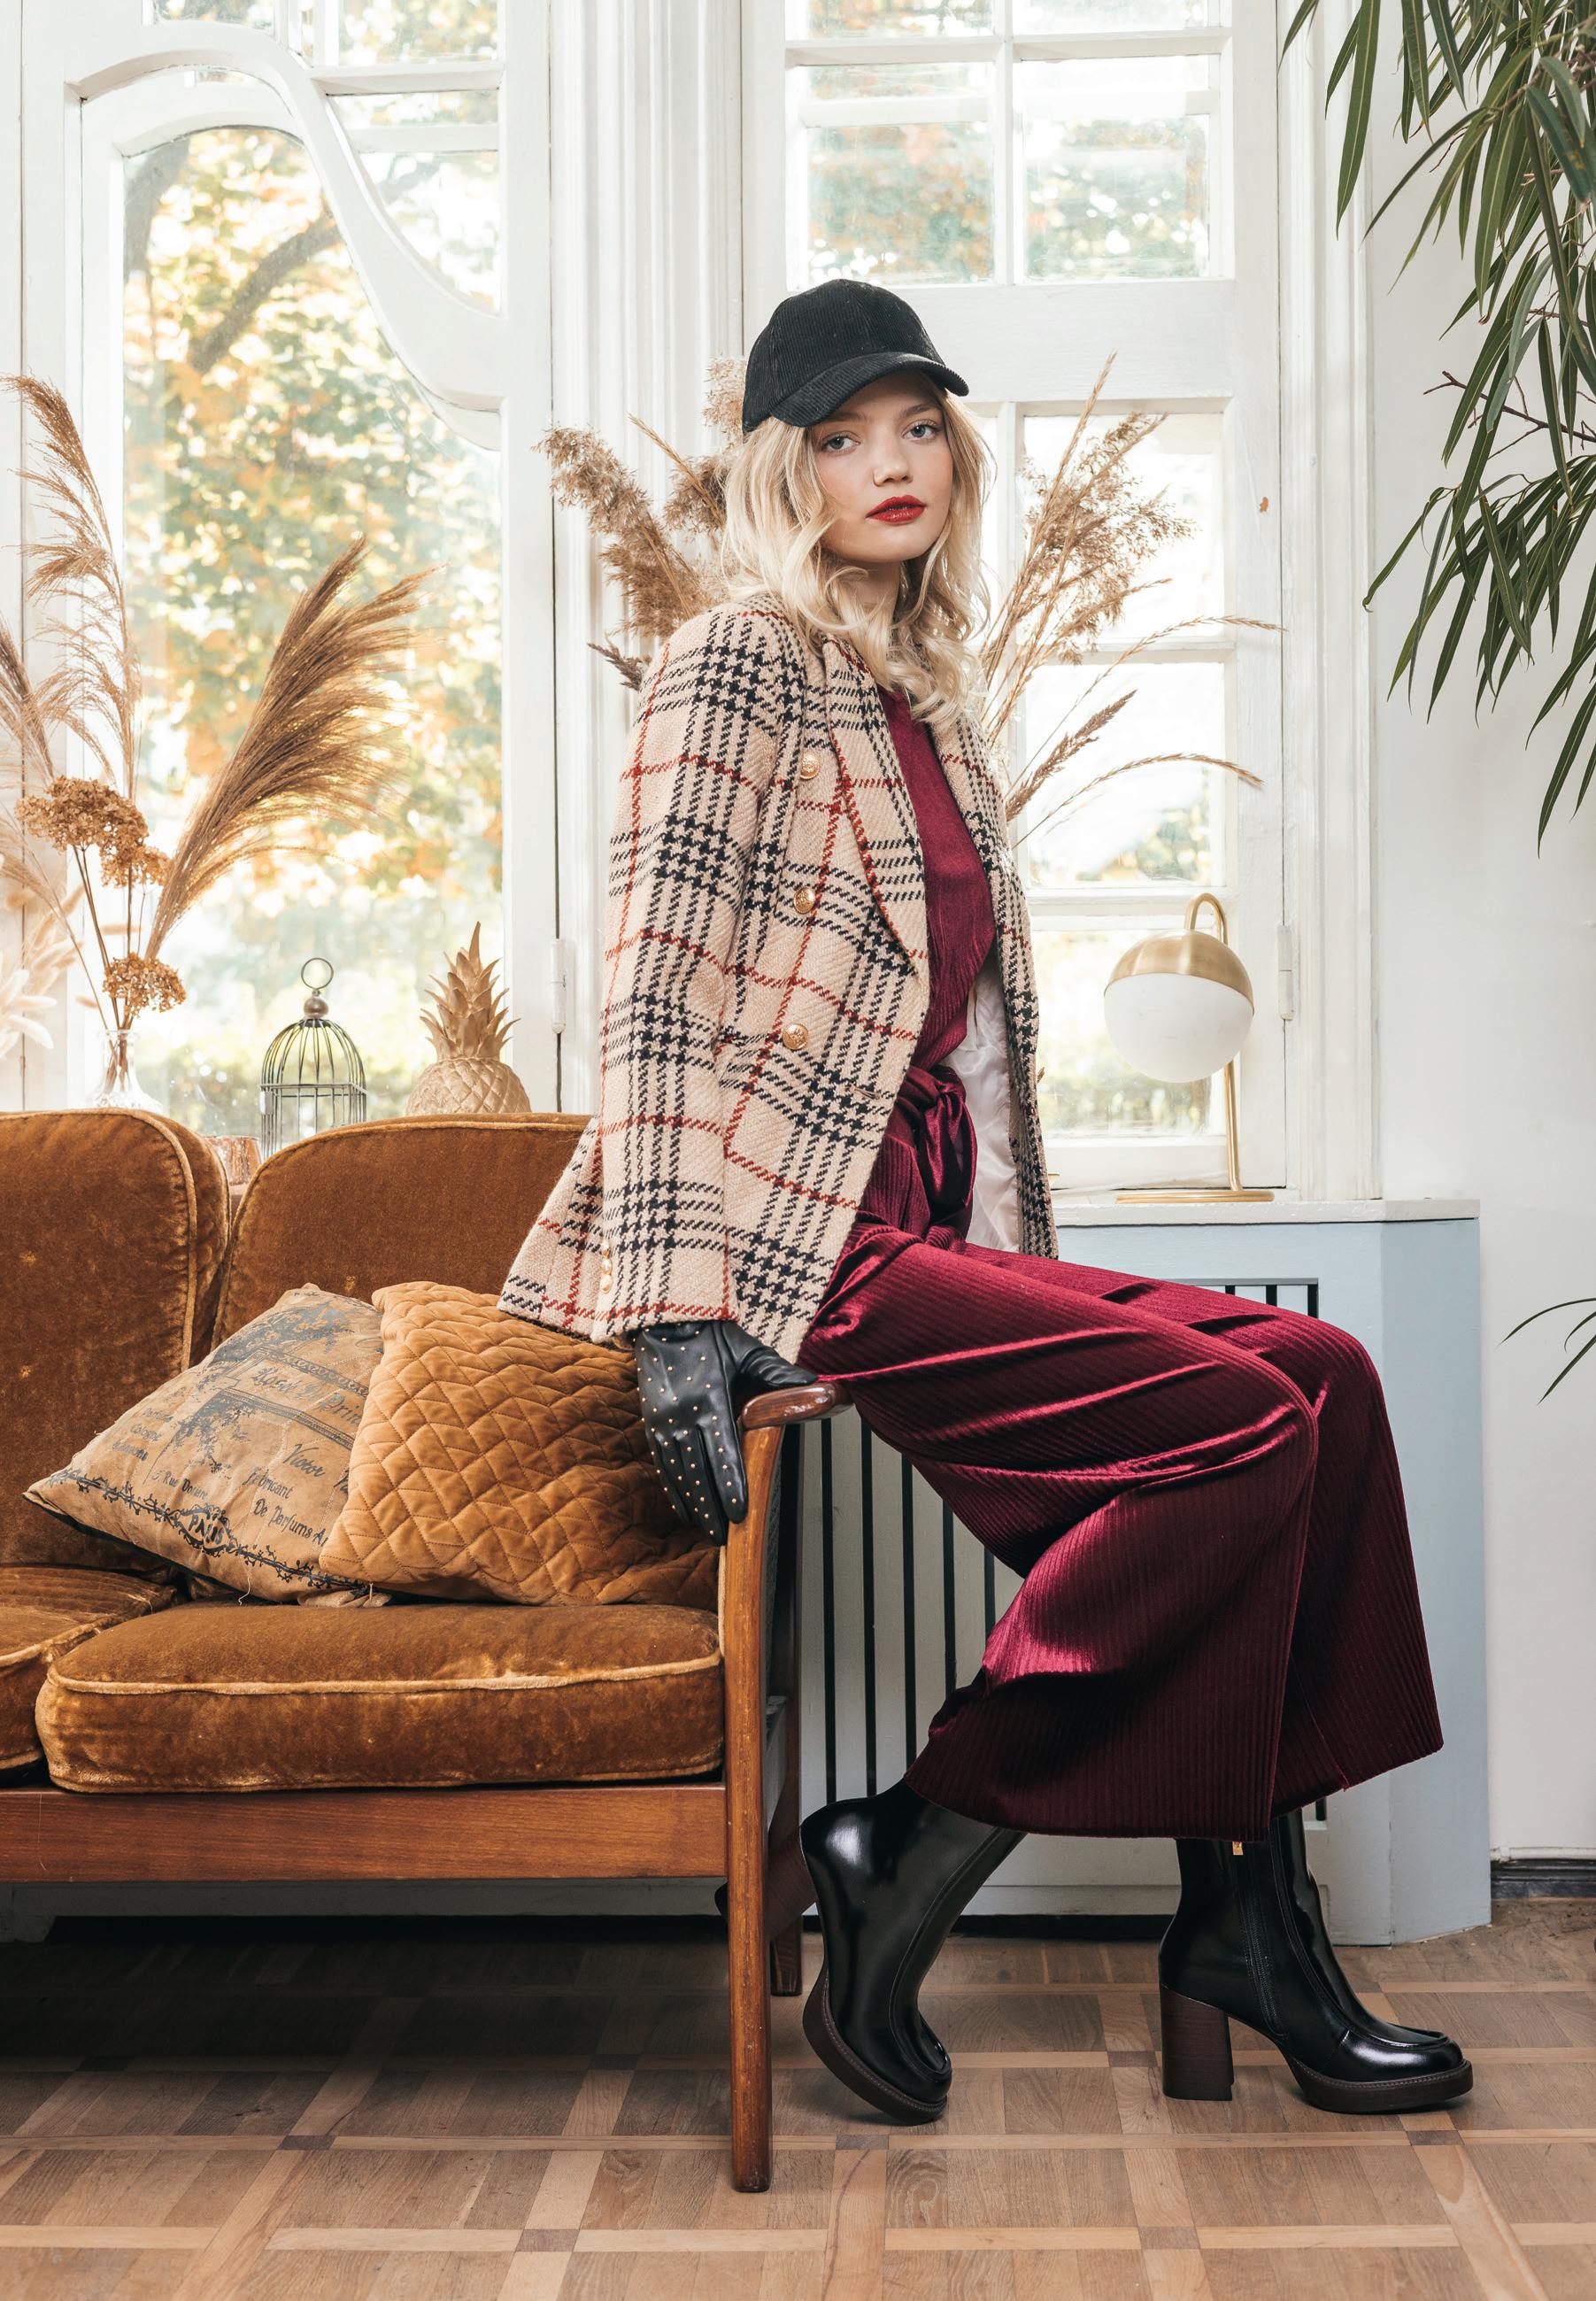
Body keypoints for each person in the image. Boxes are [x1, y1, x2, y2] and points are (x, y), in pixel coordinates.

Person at [498, 275, 1470, 2122]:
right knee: (1244, 1430)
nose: (892, 463)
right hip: (807, 1244)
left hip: (928, 1229)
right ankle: (921, 1838)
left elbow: (962, 1039)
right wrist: (675, 1305)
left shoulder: (923, 698)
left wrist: (1023, 1257)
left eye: (919, 427)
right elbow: (654, 990)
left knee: (1323, 1385)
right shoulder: (737, 659)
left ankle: (1250, 1921)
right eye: (842, 435)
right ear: (781, 469)